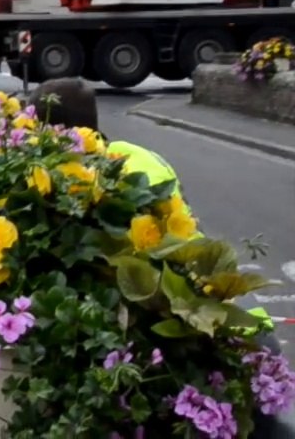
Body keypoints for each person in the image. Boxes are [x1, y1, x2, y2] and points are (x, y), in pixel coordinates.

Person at [28, 78, 290, 438]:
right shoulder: (138, 155)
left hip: (207, 341)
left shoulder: (78, 184)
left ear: (50, 130)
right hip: (245, 325)